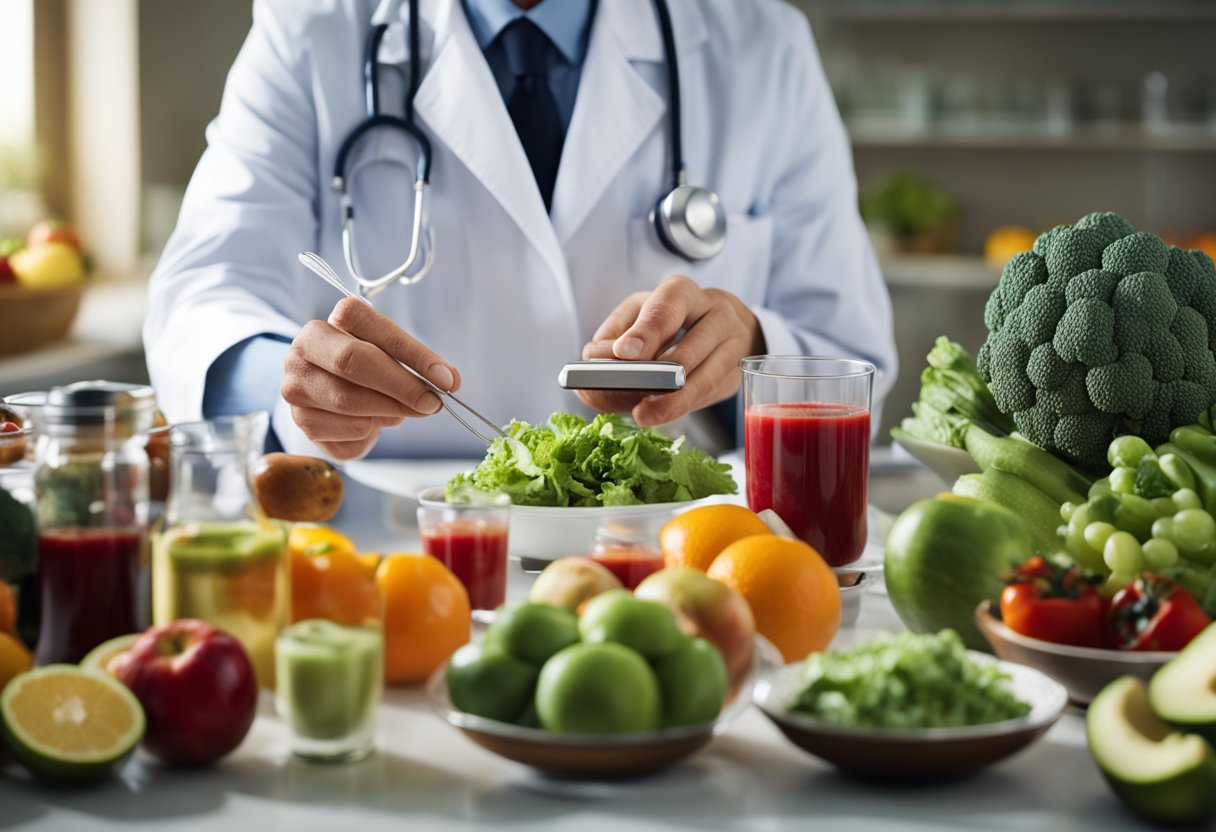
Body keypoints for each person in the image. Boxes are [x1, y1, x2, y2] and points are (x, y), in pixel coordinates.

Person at [143, 0, 896, 461]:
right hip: (395, 549)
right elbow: (202, 299)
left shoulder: (763, 44)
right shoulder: (311, 27)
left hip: (675, 550)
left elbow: (851, 358)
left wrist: (752, 354)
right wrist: (294, 384)